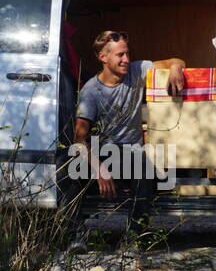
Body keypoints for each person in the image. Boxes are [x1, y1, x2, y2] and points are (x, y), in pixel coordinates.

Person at [73, 30, 185, 233]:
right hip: (104, 155)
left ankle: (137, 236)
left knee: (143, 165)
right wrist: (100, 170)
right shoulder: (90, 91)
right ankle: (75, 237)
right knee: (65, 167)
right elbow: (79, 139)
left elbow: (175, 60)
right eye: (120, 55)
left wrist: (176, 68)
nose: (126, 59)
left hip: (131, 153)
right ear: (103, 57)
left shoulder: (136, 70)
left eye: (127, 54)